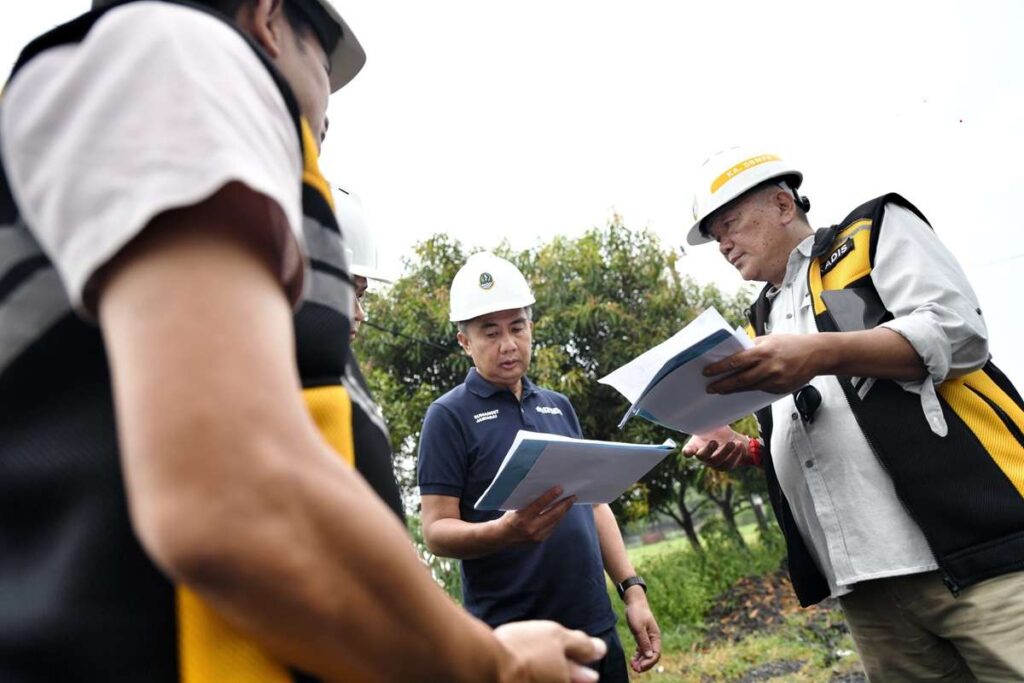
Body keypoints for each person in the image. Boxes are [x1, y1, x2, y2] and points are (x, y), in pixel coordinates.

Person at [0, 1, 606, 680]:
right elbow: (229, 499)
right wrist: (490, 663)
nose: (326, 115)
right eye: (326, 65)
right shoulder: (174, 53)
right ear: (267, 19)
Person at [681, 146, 1024, 681]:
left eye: (728, 223)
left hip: (979, 554)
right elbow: (823, 429)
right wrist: (746, 448)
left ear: (780, 204)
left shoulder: (871, 233)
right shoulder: (759, 321)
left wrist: (822, 351)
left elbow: (959, 333)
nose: (722, 243)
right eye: (714, 235)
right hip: (866, 585)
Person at [418, 252, 663, 683]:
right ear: (464, 342)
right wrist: (504, 532)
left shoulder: (557, 405)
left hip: (595, 629)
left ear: (532, 327)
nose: (508, 344)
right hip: (517, 645)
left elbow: (594, 505)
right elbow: (436, 531)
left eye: (517, 327)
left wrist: (633, 591)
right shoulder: (448, 416)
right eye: (489, 333)